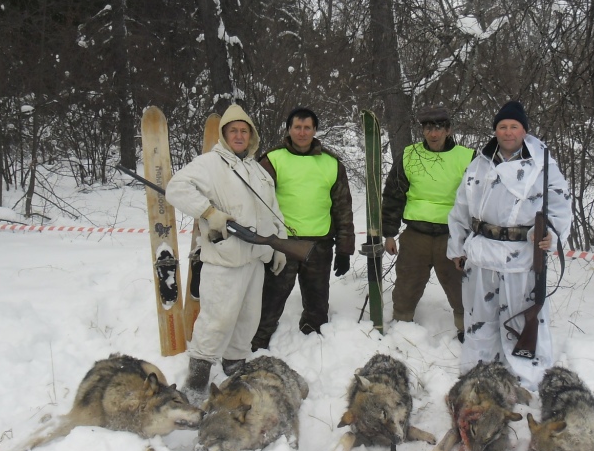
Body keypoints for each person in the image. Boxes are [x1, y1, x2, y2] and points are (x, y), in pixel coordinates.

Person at [165, 103, 288, 400]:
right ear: (224, 134)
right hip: (224, 261)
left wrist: (280, 245)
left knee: (247, 321)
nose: (239, 135)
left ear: (252, 136)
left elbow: (273, 211)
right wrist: (209, 212)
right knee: (216, 321)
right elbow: (176, 188)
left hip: (255, 261)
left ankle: (235, 371)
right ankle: (195, 385)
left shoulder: (258, 171)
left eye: (244, 130)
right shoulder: (209, 164)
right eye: (233, 130)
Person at [447, 100, 572, 390]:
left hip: (521, 257)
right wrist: (457, 246)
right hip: (480, 254)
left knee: (520, 318)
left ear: (524, 130)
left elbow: (560, 208)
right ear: (495, 130)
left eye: (514, 126)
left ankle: (524, 379)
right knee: (480, 318)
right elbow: (461, 207)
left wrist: (550, 236)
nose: (507, 132)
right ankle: (479, 374)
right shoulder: (480, 163)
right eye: (502, 126)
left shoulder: (543, 165)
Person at [250, 107, 356, 350]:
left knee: (318, 298)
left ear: (315, 130)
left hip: (319, 245)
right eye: (297, 127)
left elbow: (342, 208)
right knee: (272, 295)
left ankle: (314, 332)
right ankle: (261, 334)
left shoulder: (331, 163)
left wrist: (344, 248)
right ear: (288, 129)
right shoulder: (272, 160)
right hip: (282, 243)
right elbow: (256, 202)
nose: (302, 132)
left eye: (307, 127)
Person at [382, 105, 475, 339]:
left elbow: (479, 199)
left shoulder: (467, 157)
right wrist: (390, 233)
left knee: (460, 286)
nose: (433, 134)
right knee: (407, 283)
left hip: (452, 236)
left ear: (448, 130)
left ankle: (467, 329)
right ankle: (402, 323)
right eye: (428, 128)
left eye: (439, 128)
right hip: (416, 234)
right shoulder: (409, 155)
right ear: (422, 131)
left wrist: (474, 235)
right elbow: (394, 194)